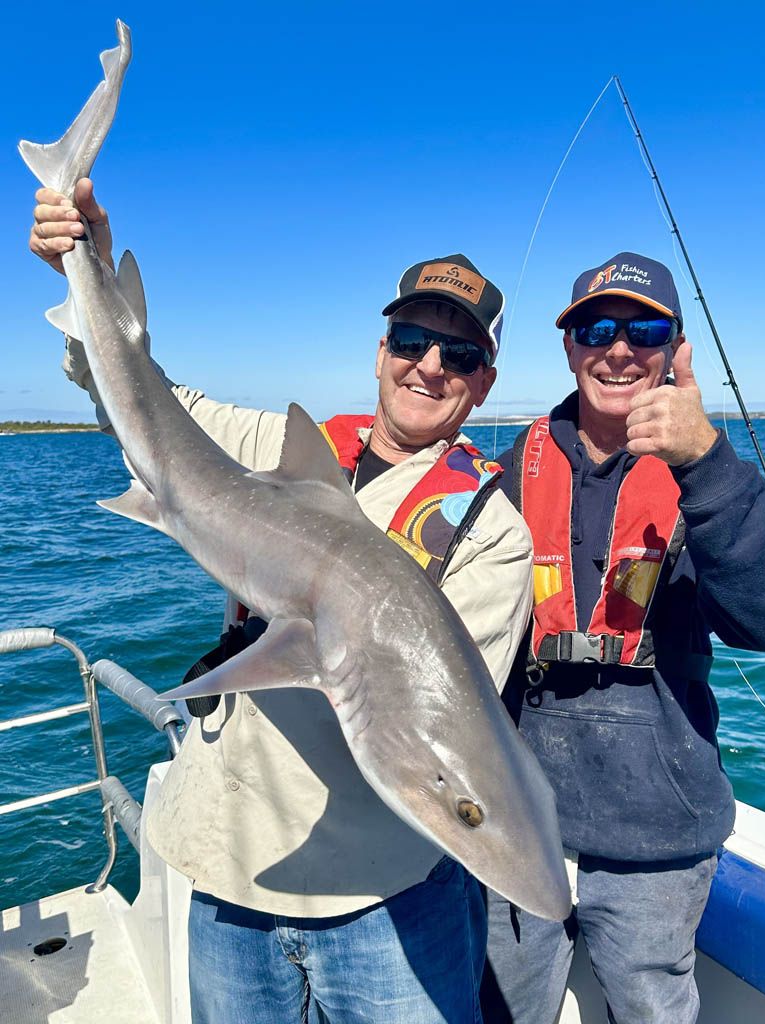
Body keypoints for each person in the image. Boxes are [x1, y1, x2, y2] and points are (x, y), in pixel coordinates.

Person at [29, 180, 534, 1024]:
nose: (428, 366)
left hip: (386, 899)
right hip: (229, 867)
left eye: (459, 355)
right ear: (380, 351)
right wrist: (86, 277)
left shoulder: (488, 529)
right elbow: (150, 408)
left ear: (483, 384)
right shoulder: (285, 451)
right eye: (411, 339)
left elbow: (436, 724)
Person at [481, 252, 765, 1024]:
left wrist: (706, 464)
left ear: (675, 350)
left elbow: (760, 619)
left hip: (657, 839)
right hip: (518, 823)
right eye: (594, 328)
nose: (617, 349)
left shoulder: (712, 473)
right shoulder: (508, 470)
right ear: (569, 345)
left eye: (642, 330)